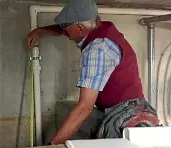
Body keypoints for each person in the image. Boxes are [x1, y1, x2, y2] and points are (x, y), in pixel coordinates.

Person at [26, 0, 160, 145]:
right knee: (66, 110)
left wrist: (53, 145)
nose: (63, 30)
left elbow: (85, 107)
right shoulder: (98, 28)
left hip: (123, 117)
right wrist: (39, 31)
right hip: (138, 108)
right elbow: (64, 30)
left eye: (65, 26)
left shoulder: (97, 49)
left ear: (79, 27)